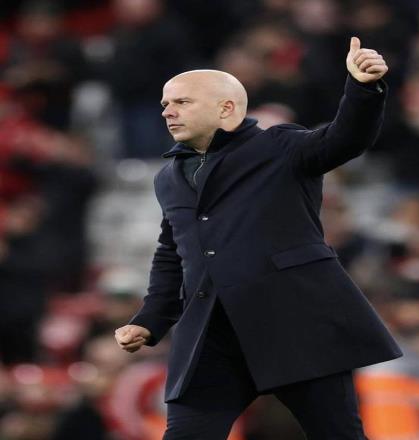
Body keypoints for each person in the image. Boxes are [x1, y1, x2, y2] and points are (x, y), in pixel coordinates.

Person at [115, 37, 402, 440]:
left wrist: (363, 89)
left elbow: (345, 138)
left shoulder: (280, 146)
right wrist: (150, 319)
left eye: (182, 102)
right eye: (165, 103)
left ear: (226, 108)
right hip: (212, 336)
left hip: (294, 323)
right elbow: (173, 253)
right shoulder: (170, 177)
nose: (167, 111)